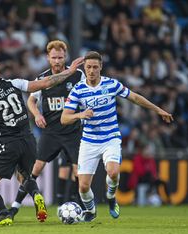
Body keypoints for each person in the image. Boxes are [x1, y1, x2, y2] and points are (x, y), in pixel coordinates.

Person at [0, 55, 84, 226]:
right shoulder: (14, 83)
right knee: (24, 176)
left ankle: (3, 214)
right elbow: (45, 82)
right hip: (29, 140)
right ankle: (36, 196)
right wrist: (70, 71)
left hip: (8, 144)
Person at [61, 51, 173, 222]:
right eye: (88, 67)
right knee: (83, 186)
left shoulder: (111, 84)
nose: (91, 71)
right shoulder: (78, 89)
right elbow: (64, 118)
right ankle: (91, 211)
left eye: (95, 67)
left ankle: (111, 197)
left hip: (110, 138)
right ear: (84, 67)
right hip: (89, 141)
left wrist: (158, 110)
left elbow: (135, 97)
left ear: (101, 67)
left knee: (113, 172)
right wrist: (80, 115)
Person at [10, 40, 85, 219]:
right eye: (54, 58)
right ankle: (14, 206)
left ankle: (80, 208)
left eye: (60, 57)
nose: (57, 61)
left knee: (78, 172)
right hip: (51, 132)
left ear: (65, 57)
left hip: (73, 131)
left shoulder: (77, 75)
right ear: (48, 58)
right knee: (35, 169)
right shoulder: (42, 79)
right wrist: (36, 115)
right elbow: (30, 100)